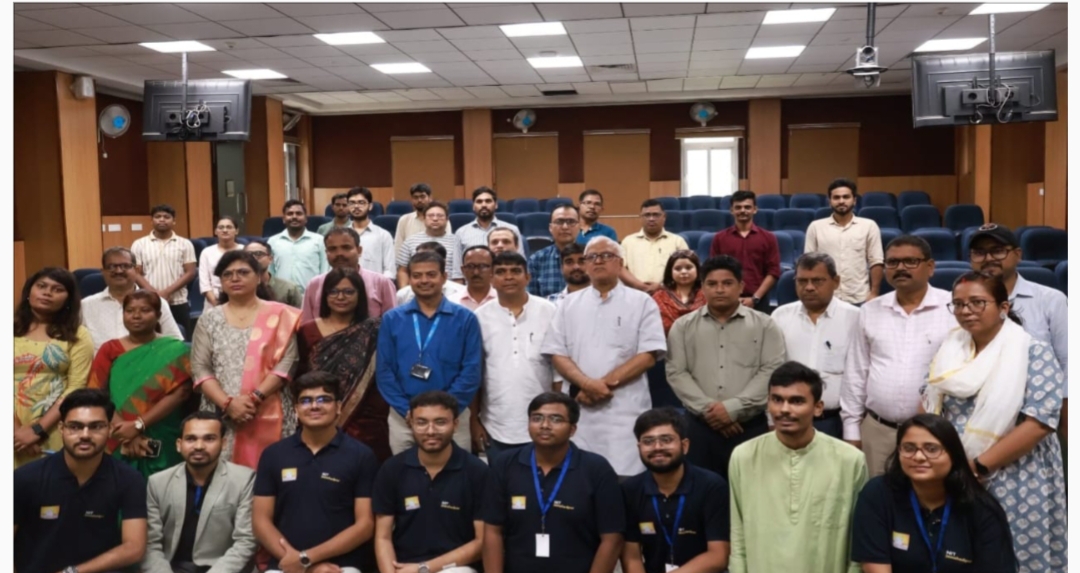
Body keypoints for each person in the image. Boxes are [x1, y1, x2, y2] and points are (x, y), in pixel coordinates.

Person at [922, 271, 1066, 572]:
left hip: (1016, 472)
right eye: (958, 304)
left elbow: (1040, 422)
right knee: (960, 553)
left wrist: (979, 467)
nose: (966, 311)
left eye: (977, 302)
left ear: (1003, 307)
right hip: (956, 471)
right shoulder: (950, 349)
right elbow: (930, 405)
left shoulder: (1032, 351)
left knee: (1013, 554)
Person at [541, 236, 667, 477]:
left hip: (625, 409)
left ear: (620, 263)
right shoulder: (567, 304)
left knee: (626, 482)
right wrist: (587, 385)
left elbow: (649, 355)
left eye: (606, 256)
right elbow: (557, 353)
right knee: (580, 479)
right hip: (581, 409)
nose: (598, 261)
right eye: (592, 257)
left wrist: (600, 386)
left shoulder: (642, 302)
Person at [728, 362, 868, 573]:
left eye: (796, 401)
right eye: (777, 400)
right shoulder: (744, 456)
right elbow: (738, 532)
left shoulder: (850, 461)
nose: (784, 409)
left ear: (818, 407)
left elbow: (858, 541)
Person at [840, 235, 954, 477]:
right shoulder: (869, 310)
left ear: (930, 267)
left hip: (936, 431)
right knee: (878, 495)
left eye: (910, 261)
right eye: (892, 262)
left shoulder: (953, 308)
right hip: (878, 431)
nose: (900, 268)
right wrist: (851, 430)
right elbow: (856, 372)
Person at [665, 255, 786, 479]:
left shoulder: (765, 325)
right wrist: (712, 411)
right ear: (702, 287)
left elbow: (772, 371)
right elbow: (676, 373)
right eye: (712, 284)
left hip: (749, 427)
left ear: (741, 286)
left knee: (751, 492)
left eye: (727, 283)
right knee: (702, 493)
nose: (719, 289)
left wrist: (732, 409)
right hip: (699, 428)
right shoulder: (682, 327)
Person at [851, 414, 1017, 573]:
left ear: (953, 455)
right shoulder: (878, 494)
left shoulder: (981, 508)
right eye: (908, 448)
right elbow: (874, 565)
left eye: (931, 449)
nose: (918, 457)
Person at [481, 392, 625, 573]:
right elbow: (492, 530)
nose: (545, 425)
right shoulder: (505, 464)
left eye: (556, 419)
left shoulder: (596, 469)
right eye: (537, 418)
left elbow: (612, 538)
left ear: (572, 429)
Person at [253, 371, 378, 573]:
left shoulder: (361, 455)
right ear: (296, 409)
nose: (314, 406)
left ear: (338, 407)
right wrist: (300, 563)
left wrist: (308, 558)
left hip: (340, 567)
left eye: (324, 399)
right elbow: (260, 521)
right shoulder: (274, 454)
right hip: (285, 564)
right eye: (305, 401)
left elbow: (365, 525)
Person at [15, 388, 148, 573]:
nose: (85, 434)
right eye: (75, 426)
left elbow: (134, 548)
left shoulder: (129, 479)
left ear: (110, 429)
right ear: (61, 429)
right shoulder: (26, 478)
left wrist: (73, 572)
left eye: (96, 426)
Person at [191, 250, 301, 469]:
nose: (235, 278)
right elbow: (200, 368)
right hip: (221, 412)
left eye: (243, 272)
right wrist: (228, 404)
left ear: (259, 277)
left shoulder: (281, 314)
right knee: (224, 477)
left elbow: (288, 363)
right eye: (227, 274)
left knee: (272, 472)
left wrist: (253, 399)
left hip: (270, 406)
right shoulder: (209, 319)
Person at [968, 223, 1068, 450]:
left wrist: (1067, 418)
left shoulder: (1050, 300)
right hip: (975, 420)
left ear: (1018, 254)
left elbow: (1069, 362)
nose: (988, 258)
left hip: (1035, 420)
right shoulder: (961, 304)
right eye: (979, 252)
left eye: (997, 251)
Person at [377, 251, 482, 454]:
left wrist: (447, 410)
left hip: (453, 415)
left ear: (444, 277)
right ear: (409, 279)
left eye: (431, 274)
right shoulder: (392, 319)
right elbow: (385, 371)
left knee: (456, 470)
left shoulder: (465, 319)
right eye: (417, 275)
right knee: (405, 470)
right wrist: (407, 410)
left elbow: (471, 371)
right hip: (404, 416)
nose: (424, 280)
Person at [373, 391, 488, 573]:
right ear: (410, 423)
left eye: (440, 422)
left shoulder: (478, 472)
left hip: (456, 567)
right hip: (403, 567)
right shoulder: (392, 469)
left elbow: (482, 542)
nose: (431, 431)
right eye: (422, 422)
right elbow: (382, 538)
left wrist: (423, 568)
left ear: (455, 424)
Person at [88, 291, 192, 479]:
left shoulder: (175, 349)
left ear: (158, 315)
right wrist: (124, 430)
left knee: (163, 488)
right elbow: (96, 393)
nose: (136, 316)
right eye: (129, 311)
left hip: (161, 431)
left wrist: (138, 426)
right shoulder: (109, 349)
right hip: (117, 433)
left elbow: (181, 394)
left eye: (145, 310)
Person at [143, 412, 258, 573]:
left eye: (209, 439)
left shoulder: (244, 480)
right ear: (179, 444)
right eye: (191, 439)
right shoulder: (158, 482)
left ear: (224, 443)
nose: (199, 446)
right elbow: (150, 544)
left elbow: (245, 541)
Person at [297, 267, 391, 461]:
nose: (341, 297)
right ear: (325, 296)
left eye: (348, 292)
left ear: (360, 295)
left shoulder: (375, 329)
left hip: (365, 420)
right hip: (317, 413)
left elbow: (381, 375)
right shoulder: (307, 330)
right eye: (334, 292)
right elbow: (300, 375)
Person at [621, 408, 730, 573]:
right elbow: (631, 556)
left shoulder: (711, 486)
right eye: (648, 441)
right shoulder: (630, 490)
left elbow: (718, 556)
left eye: (666, 440)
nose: (657, 447)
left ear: (684, 445)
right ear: (639, 447)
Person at [472, 251, 559, 460]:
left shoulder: (550, 311)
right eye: (501, 272)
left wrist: (559, 413)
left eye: (515, 271)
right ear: (491, 279)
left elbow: (558, 370)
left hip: (545, 421)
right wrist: (474, 421)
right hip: (496, 423)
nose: (508, 277)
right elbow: (475, 374)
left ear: (527, 277)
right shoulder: (480, 317)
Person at [771, 253, 859, 439]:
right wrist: (771, 420)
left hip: (836, 421)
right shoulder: (780, 316)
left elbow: (859, 376)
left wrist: (853, 431)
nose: (809, 287)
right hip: (788, 420)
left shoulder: (855, 318)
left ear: (836, 282)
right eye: (802, 281)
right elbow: (771, 371)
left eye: (817, 281)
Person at [14, 267, 93, 468]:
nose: (47, 293)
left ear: (68, 299)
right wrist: (16, 432)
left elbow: (76, 387)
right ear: (29, 292)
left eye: (58, 289)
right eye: (41, 286)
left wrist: (38, 430)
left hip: (54, 426)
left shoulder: (78, 334)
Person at [82, 246, 183, 353]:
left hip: (147, 361)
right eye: (111, 267)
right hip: (102, 362)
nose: (118, 271)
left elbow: (175, 344)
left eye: (125, 266)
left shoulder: (157, 302)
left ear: (136, 270)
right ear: (103, 272)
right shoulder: (86, 305)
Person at [804, 178, 884, 304]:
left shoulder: (869, 226)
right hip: (826, 297)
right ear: (829, 201)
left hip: (859, 298)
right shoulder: (815, 227)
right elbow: (808, 263)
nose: (841, 201)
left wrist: (874, 293)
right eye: (836, 198)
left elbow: (876, 262)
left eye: (846, 197)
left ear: (854, 200)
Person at [300, 227, 398, 323]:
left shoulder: (381, 283)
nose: (339, 253)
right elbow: (306, 326)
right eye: (332, 249)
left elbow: (392, 324)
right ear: (326, 253)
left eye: (346, 248)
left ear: (359, 250)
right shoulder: (315, 285)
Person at [707, 191, 780, 313]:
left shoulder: (768, 238)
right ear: (731, 210)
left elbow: (773, 272)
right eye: (738, 207)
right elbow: (714, 271)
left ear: (755, 210)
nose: (742, 210)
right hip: (727, 299)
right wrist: (732, 297)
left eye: (747, 207)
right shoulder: (719, 238)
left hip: (759, 300)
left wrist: (755, 298)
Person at [131, 203, 198, 333]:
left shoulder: (185, 244)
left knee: (180, 338)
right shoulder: (139, 244)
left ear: (174, 221)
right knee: (149, 337)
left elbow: (190, 272)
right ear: (151, 220)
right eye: (158, 217)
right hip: (148, 301)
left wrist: (167, 292)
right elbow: (136, 273)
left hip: (178, 301)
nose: (162, 220)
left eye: (166, 217)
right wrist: (155, 294)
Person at [621, 199, 689, 293]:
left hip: (669, 294)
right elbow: (620, 268)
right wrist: (639, 285)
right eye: (647, 215)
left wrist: (662, 287)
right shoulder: (628, 242)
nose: (651, 219)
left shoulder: (677, 241)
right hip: (635, 294)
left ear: (664, 217)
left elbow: (686, 269)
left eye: (656, 215)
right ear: (640, 217)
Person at [268, 200, 328, 292]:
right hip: (281, 295)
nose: (294, 217)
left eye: (299, 213)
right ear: (284, 219)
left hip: (311, 294)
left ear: (306, 219)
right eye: (290, 214)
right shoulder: (273, 241)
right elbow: (270, 272)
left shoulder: (319, 240)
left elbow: (325, 270)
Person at [398, 201, 463, 285]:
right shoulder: (410, 241)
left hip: (449, 288)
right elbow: (403, 270)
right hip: (418, 287)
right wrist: (405, 290)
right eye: (431, 216)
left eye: (440, 216)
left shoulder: (457, 241)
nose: (435, 219)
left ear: (447, 219)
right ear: (424, 219)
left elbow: (459, 273)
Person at [454, 186, 525, 263]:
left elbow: (521, 262)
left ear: (496, 205)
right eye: (479, 202)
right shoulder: (461, 232)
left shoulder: (512, 229)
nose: (484, 205)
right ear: (473, 206)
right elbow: (457, 267)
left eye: (488, 201)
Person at [528, 205, 581, 299]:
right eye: (559, 222)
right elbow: (531, 300)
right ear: (550, 228)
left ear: (579, 227)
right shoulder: (536, 259)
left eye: (571, 222)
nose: (565, 227)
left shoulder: (589, 257)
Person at [396, 241, 468, 306]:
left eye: (431, 274)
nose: (424, 280)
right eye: (420, 258)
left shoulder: (461, 292)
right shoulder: (403, 295)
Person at [652, 250, 705, 335]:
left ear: (697, 270)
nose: (683, 272)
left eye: (688, 267)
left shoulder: (707, 295)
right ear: (670, 272)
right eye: (678, 268)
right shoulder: (659, 297)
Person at [347, 186, 396, 279]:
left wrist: (379, 284)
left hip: (375, 285)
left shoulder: (383, 235)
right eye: (352, 203)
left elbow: (390, 270)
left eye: (361, 202)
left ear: (370, 206)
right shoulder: (341, 235)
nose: (356, 206)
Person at [394, 182, 454, 256]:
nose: (419, 200)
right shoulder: (404, 220)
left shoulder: (441, 220)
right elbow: (398, 247)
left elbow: (447, 243)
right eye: (415, 197)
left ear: (430, 198)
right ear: (412, 200)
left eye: (422, 197)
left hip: (437, 258)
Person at [198, 216, 245, 307]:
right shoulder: (207, 252)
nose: (225, 230)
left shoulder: (244, 250)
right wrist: (217, 305)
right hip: (214, 299)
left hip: (241, 296)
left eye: (229, 227)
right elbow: (205, 285)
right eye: (221, 227)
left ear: (236, 231)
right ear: (215, 231)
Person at [245, 238, 304, 308]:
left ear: (270, 259)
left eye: (259, 254)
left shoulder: (288, 288)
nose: (253, 258)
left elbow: (299, 313)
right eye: (248, 255)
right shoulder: (238, 286)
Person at [455, 245, 497, 310]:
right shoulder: (452, 302)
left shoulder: (505, 302)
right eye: (470, 266)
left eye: (482, 266)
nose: (476, 272)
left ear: (493, 269)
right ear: (463, 270)